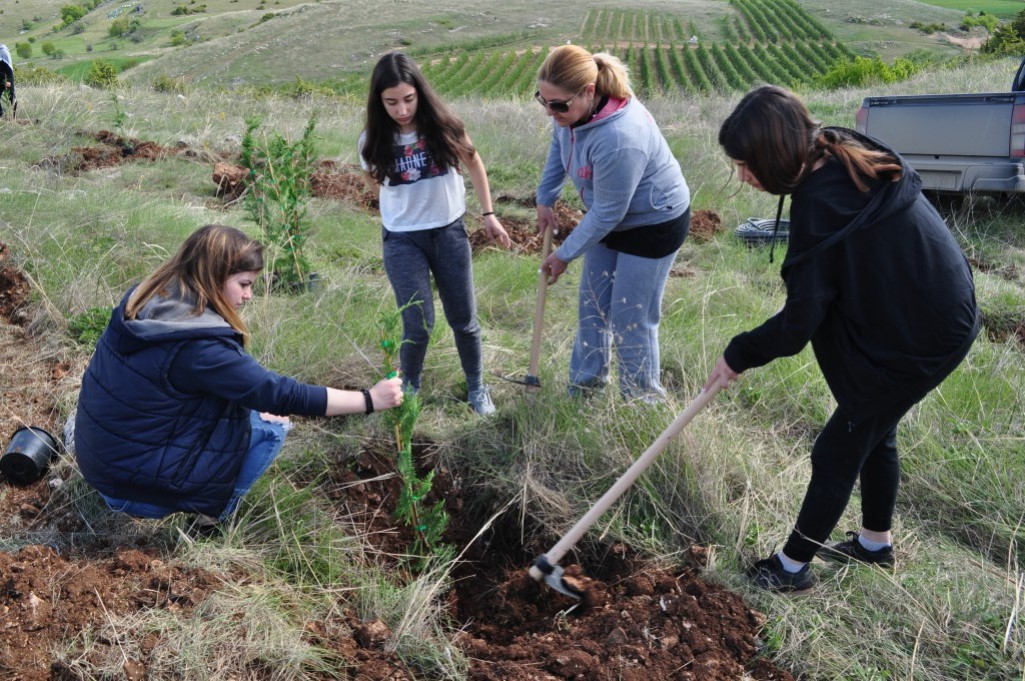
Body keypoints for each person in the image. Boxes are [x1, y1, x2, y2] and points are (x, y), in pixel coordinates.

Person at [703, 85, 979, 592]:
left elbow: (800, 321)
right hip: (937, 311)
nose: (741, 177)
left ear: (775, 153)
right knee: (875, 427)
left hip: (925, 331)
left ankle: (789, 569)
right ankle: (875, 545)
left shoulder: (822, 201)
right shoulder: (831, 152)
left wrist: (737, 353)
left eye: (746, 164)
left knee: (837, 449)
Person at [74, 224, 404, 524]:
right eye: (244, 284)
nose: (248, 296)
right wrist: (370, 399)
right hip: (128, 491)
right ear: (213, 275)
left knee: (238, 406)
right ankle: (210, 519)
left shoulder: (147, 299)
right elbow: (283, 394)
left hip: (101, 464)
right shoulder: (201, 348)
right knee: (270, 423)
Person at [534, 45, 691, 403]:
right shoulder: (570, 113)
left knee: (630, 317)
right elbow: (560, 146)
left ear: (589, 92)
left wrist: (564, 255)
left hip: (654, 221)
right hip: (611, 216)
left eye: (558, 105)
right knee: (592, 304)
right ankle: (585, 389)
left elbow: (607, 213)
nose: (550, 112)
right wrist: (545, 197)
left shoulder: (620, 137)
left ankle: (641, 404)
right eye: (543, 101)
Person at [359, 52, 510, 415]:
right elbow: (372, 179)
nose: (402, 110)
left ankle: (477, 388)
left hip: (448, 234)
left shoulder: (445, 126)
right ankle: (409, 390)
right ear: (379, 101)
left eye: (408, 99)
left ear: (420, 93)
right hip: (402, 240)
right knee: (418, 323)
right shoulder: (372, 139)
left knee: (464, 320)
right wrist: (397, 208)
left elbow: (474, 162)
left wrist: (488, 214)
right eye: (391, 102)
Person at [0, 44, 15, 119]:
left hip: (5, 78)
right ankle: (1, 116)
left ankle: (14, 116)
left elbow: (9, 68)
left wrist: (9, 80)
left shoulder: (3, 51)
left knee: (11, 97)